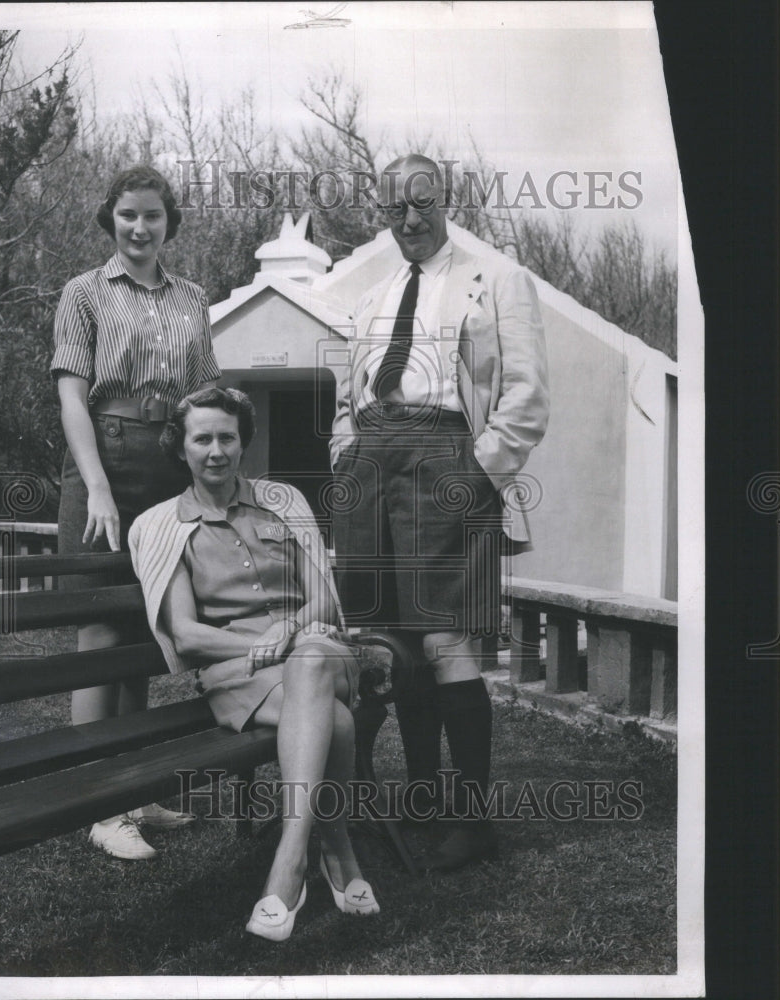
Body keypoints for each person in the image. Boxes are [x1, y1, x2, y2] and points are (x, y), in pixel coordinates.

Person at [331, 154, 550, 872]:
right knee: (390, 641)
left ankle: (474, 818)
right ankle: (421, 797)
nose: (411, 219)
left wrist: (476, 474)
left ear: (445, 200)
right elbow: (347, 396)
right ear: (381, 212)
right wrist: (346, 456)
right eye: (395, 208)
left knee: (446, 642)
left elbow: (525, 397)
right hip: (372, 469)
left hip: (445, 460)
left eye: (422, 203)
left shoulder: (497, 281)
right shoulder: (371, 295)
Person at [128, 387, 379, 941]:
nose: (216, 450)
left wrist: (287, 631)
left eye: (227, 437)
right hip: (240, 676)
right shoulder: (162, 526)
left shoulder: (283, 501)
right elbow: (187, 635)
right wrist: (258, 649)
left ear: (243, 442)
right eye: (202, 439)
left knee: (312, 658)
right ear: (181, 447)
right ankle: (336, 848)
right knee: (333, 721)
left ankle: (288, 861)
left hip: (318, 647)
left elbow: (322, 597)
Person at [51, 165, 221, 860]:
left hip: (167, 464)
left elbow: (206, 396)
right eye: (127, 215)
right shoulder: (82, 294)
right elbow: (71, 396)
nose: (140, 227)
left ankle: (135, 790)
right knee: (98, 630)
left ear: (168, 223)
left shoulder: (193, 299)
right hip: (104, 459)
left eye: (152, 215)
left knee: (148, 633)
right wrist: (95, 486)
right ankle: (97, 806)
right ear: (110, 219)